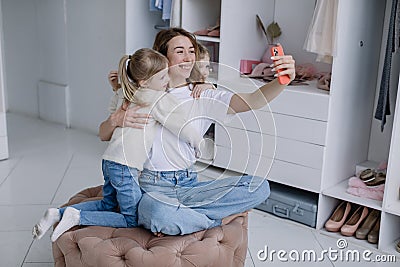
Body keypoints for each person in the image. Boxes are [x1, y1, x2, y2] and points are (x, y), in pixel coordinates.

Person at [100, 27, 296, 236]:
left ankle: (184, 218)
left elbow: (252, 101)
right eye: (179, 50)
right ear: (162, 56)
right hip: (152, 187)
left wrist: (282, 80)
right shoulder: (143, 93)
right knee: (158, 213)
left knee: (259, 186)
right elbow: (103, 135)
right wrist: (115, 120)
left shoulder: (202, 94)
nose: (188, 57)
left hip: (189, 184)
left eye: (191, 51)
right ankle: (212, 220)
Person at [32, 48, 205, 242]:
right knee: (131, 219)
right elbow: (180, 124)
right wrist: (198, 142)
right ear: (144, 82)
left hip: (109, 161)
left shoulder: (126, 93)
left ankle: (57, 214)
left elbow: (116, 103)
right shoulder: (157, 98)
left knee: (108, 204)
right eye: (163, 77)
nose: (167, 81)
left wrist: (117, 88)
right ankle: (77, 216)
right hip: (125, 166)